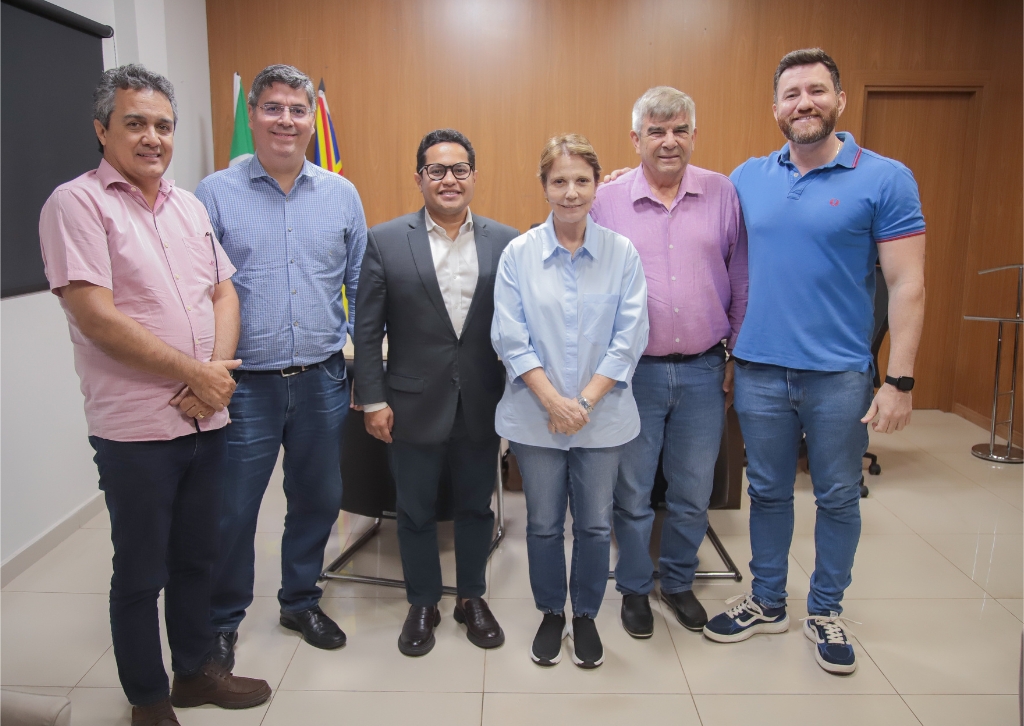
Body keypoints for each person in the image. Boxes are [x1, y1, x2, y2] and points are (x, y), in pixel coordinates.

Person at [38, 64, 270, 726]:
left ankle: (195, 672)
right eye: (135, 122)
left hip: (207, 417)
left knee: (199, 554)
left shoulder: (188, 204)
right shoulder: (76, 205)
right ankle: (147, 699)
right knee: (141, 572)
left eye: (163, 125)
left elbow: (222, 290)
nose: (152, 138)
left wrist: (215, 371)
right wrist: (194, 375)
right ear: (102, 129)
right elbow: (96, 316)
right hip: (137, 429)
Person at [703, 48, 926, 675]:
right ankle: (767, 600)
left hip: (840, 375)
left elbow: (908, 284)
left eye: (817, 91)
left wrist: (899, 380)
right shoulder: (747, 176)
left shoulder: (885, 178)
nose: (805, 103)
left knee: (837, 497)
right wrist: (619, 182)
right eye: (792, 94)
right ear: (775, 107)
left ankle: (826, 608)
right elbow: (692, 210)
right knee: (768, 493)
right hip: (759, 371)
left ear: (840, 100)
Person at [194, 64, 367, 662]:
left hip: (321, 377)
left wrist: (356, 370)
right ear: (253, 115)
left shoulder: (341, 194)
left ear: (311, 117)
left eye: (298, 109)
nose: (286, 121)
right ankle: (222, 621)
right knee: (233, 509)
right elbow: (199, 290)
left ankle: (300, 600)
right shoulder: (215, 193)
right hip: (244, 385)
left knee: (318, 498)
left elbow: (359, 286)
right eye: (273, 108)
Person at [590, 86, 748, 638]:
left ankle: (677, 581)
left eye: (680, 129)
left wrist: (736, 352)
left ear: (694, 135)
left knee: (692, 489)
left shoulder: (723, 192)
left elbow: (742, 278)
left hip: (706, 369)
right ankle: (634, 586)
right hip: (633, 375)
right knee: (631, 492)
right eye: (656, 131)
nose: (669, 140)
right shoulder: (605, 200)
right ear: (635, 139)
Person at [353, 129, 518, 656]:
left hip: (480, 402)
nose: (449, 179)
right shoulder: (384, 239)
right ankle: (422, 600)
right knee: (416, 509)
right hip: (409, 403)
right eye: (437, 170)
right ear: (420, 177)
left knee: (475, 508)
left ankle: (471, 596)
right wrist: (373, 400)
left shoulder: (506, 241)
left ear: (474, 174)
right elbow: (367, 329)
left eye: (460, 169)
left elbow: (517, 326)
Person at [492, 134, 649, 669]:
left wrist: (579, 403)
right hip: (536, 418)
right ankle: (549, 612)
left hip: (601, 417)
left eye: (582, 180)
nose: (570, 191)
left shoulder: (622, 253)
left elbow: (630, 338)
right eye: (559, 181)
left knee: (595, 524)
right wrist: (553, 402)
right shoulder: (519, 253)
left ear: (597, 185)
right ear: (544, 187)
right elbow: (511, 338)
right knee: (541, 522)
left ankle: (584, 615)